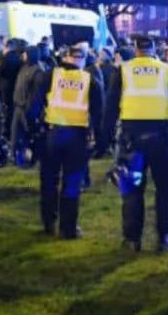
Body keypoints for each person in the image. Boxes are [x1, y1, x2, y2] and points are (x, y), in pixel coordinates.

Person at [104, 35, 168, 251]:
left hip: (132, 137)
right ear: (154, 49)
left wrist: (105, 138)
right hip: (162, 137)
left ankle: (132, 239)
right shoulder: (167, 70)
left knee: (132, 187)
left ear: (135, 48)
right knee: (166, 189)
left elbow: (110, 106)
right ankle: (165, 237)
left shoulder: (123, 70)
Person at [28, 43, 103, 239]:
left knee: (49, 181)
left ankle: (48, 223)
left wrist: (35, 129)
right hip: (77, 138)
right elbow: (98, 114)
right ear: (83, 60)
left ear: (65, 57)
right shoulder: (90, 81)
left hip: (52, 135)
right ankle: (68, 228)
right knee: (71, 182)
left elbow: (33, 107)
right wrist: (97, 140)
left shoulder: (51, 76)